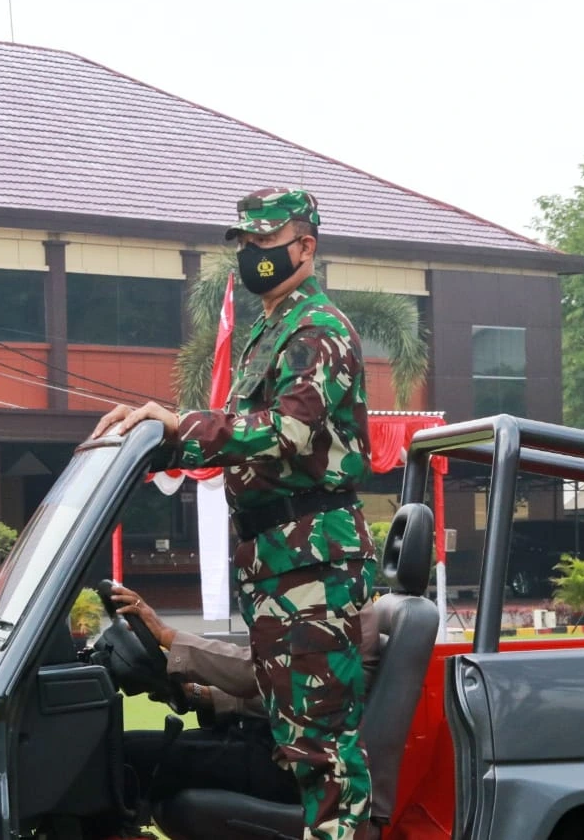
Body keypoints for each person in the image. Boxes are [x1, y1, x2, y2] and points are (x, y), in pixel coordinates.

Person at [91, 188, 376, 840]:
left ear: (305, 247)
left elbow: (289, 431)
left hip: (313, 567)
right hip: (278, 564)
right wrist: (165, 435)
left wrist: (180, 425)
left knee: (322, 757)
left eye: (265, 242)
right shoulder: (267, 334)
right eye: (245, 243)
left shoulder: (318, 331)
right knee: (291, 739)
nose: (251, 255)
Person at [109, 584, 379, 814]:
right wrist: (199, 695)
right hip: (278, 740)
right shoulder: (334, 591)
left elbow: (254, 671)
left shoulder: (336, 600)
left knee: (127, 757)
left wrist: (167, 636)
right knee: (125, 747)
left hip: (295, 764)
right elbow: (284, 689)